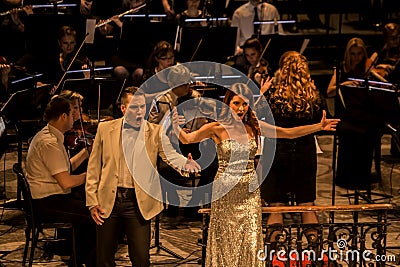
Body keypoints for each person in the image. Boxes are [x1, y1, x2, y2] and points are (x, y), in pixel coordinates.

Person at [172, 82, 339, 266]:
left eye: (245, 104)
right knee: (225, 241)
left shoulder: (254, 127)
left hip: (249, 194)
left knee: (250, 242)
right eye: (236, 103)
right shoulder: (216, 129)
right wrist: (173, 125)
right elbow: (187, 139)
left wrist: (318, 127)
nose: (241, 108)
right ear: (228, 104)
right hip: (224, 194)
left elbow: (288, 133)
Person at [85, 86, 200, 266]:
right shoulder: (105, 129)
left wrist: (185, 163)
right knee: (104, 258)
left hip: (137, 203)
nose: (139, 112)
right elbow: (94, 168)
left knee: (140, 258)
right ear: (123, 108)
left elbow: (170, 155)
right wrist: (92, 201)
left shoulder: (155, 132)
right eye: (134, 107)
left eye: (142, 107)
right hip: (108, 201)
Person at [260, 51, 325, 243]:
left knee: (276, 207)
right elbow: (322, 122)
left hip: (277, 154)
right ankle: (315, 254)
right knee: (307, 206)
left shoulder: (273, 96)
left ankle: (274, 256)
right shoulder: (313, 97)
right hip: (305, 154)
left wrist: (261, 93)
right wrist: (315, 94)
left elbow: (256, 119)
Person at [25, 95, 95, 266]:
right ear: (63, 116)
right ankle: (85, 260)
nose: (74, 118)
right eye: (72, 114)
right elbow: (66, 182)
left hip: (52, 197)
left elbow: (65, 168)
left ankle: (79, 255)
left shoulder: (51, 135)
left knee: (90, 201)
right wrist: (92, 175)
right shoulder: (49, 143)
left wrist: (86, 152)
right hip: (46, 203)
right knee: (95, 214)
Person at [327, 38, 380, 189]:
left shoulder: (368, 66)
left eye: (359, 53)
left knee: (368, 131)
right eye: (353, 54)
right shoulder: (342, 68)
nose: (356, 57)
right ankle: (345, 177)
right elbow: (329, 91)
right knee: (347, 132)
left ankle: (362, 177)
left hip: (364, 114)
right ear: (348, 54)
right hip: (347, 115)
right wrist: (345, 84)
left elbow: (379, 85)